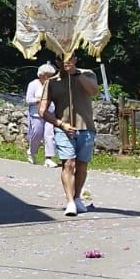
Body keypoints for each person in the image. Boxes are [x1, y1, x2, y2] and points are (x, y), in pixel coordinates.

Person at [39, 54, 101, 218]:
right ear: (57, 63)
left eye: (70, 59)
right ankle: (70, 201)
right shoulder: (51, 82)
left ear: (75, 60)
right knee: (68, 164)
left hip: (86, 128)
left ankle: (77, 196)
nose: (66, 62)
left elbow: (94, 91)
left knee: (82, 165)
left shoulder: (87, 74)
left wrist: (75, 73)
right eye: (62, 60)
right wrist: (61, 124)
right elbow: (42, 111)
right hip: (64, 129)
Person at [25, 64, 59, 167]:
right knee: (37, 134)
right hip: (36, 114)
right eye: (47, 75)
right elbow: (28, 100)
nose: (49, 78)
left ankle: (49, 158)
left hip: (49, 113)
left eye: (51, 75)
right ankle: (31, 152)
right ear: (41, 75)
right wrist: (38, 100)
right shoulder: (33, 84)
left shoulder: (53, 84)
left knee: (49, 134)